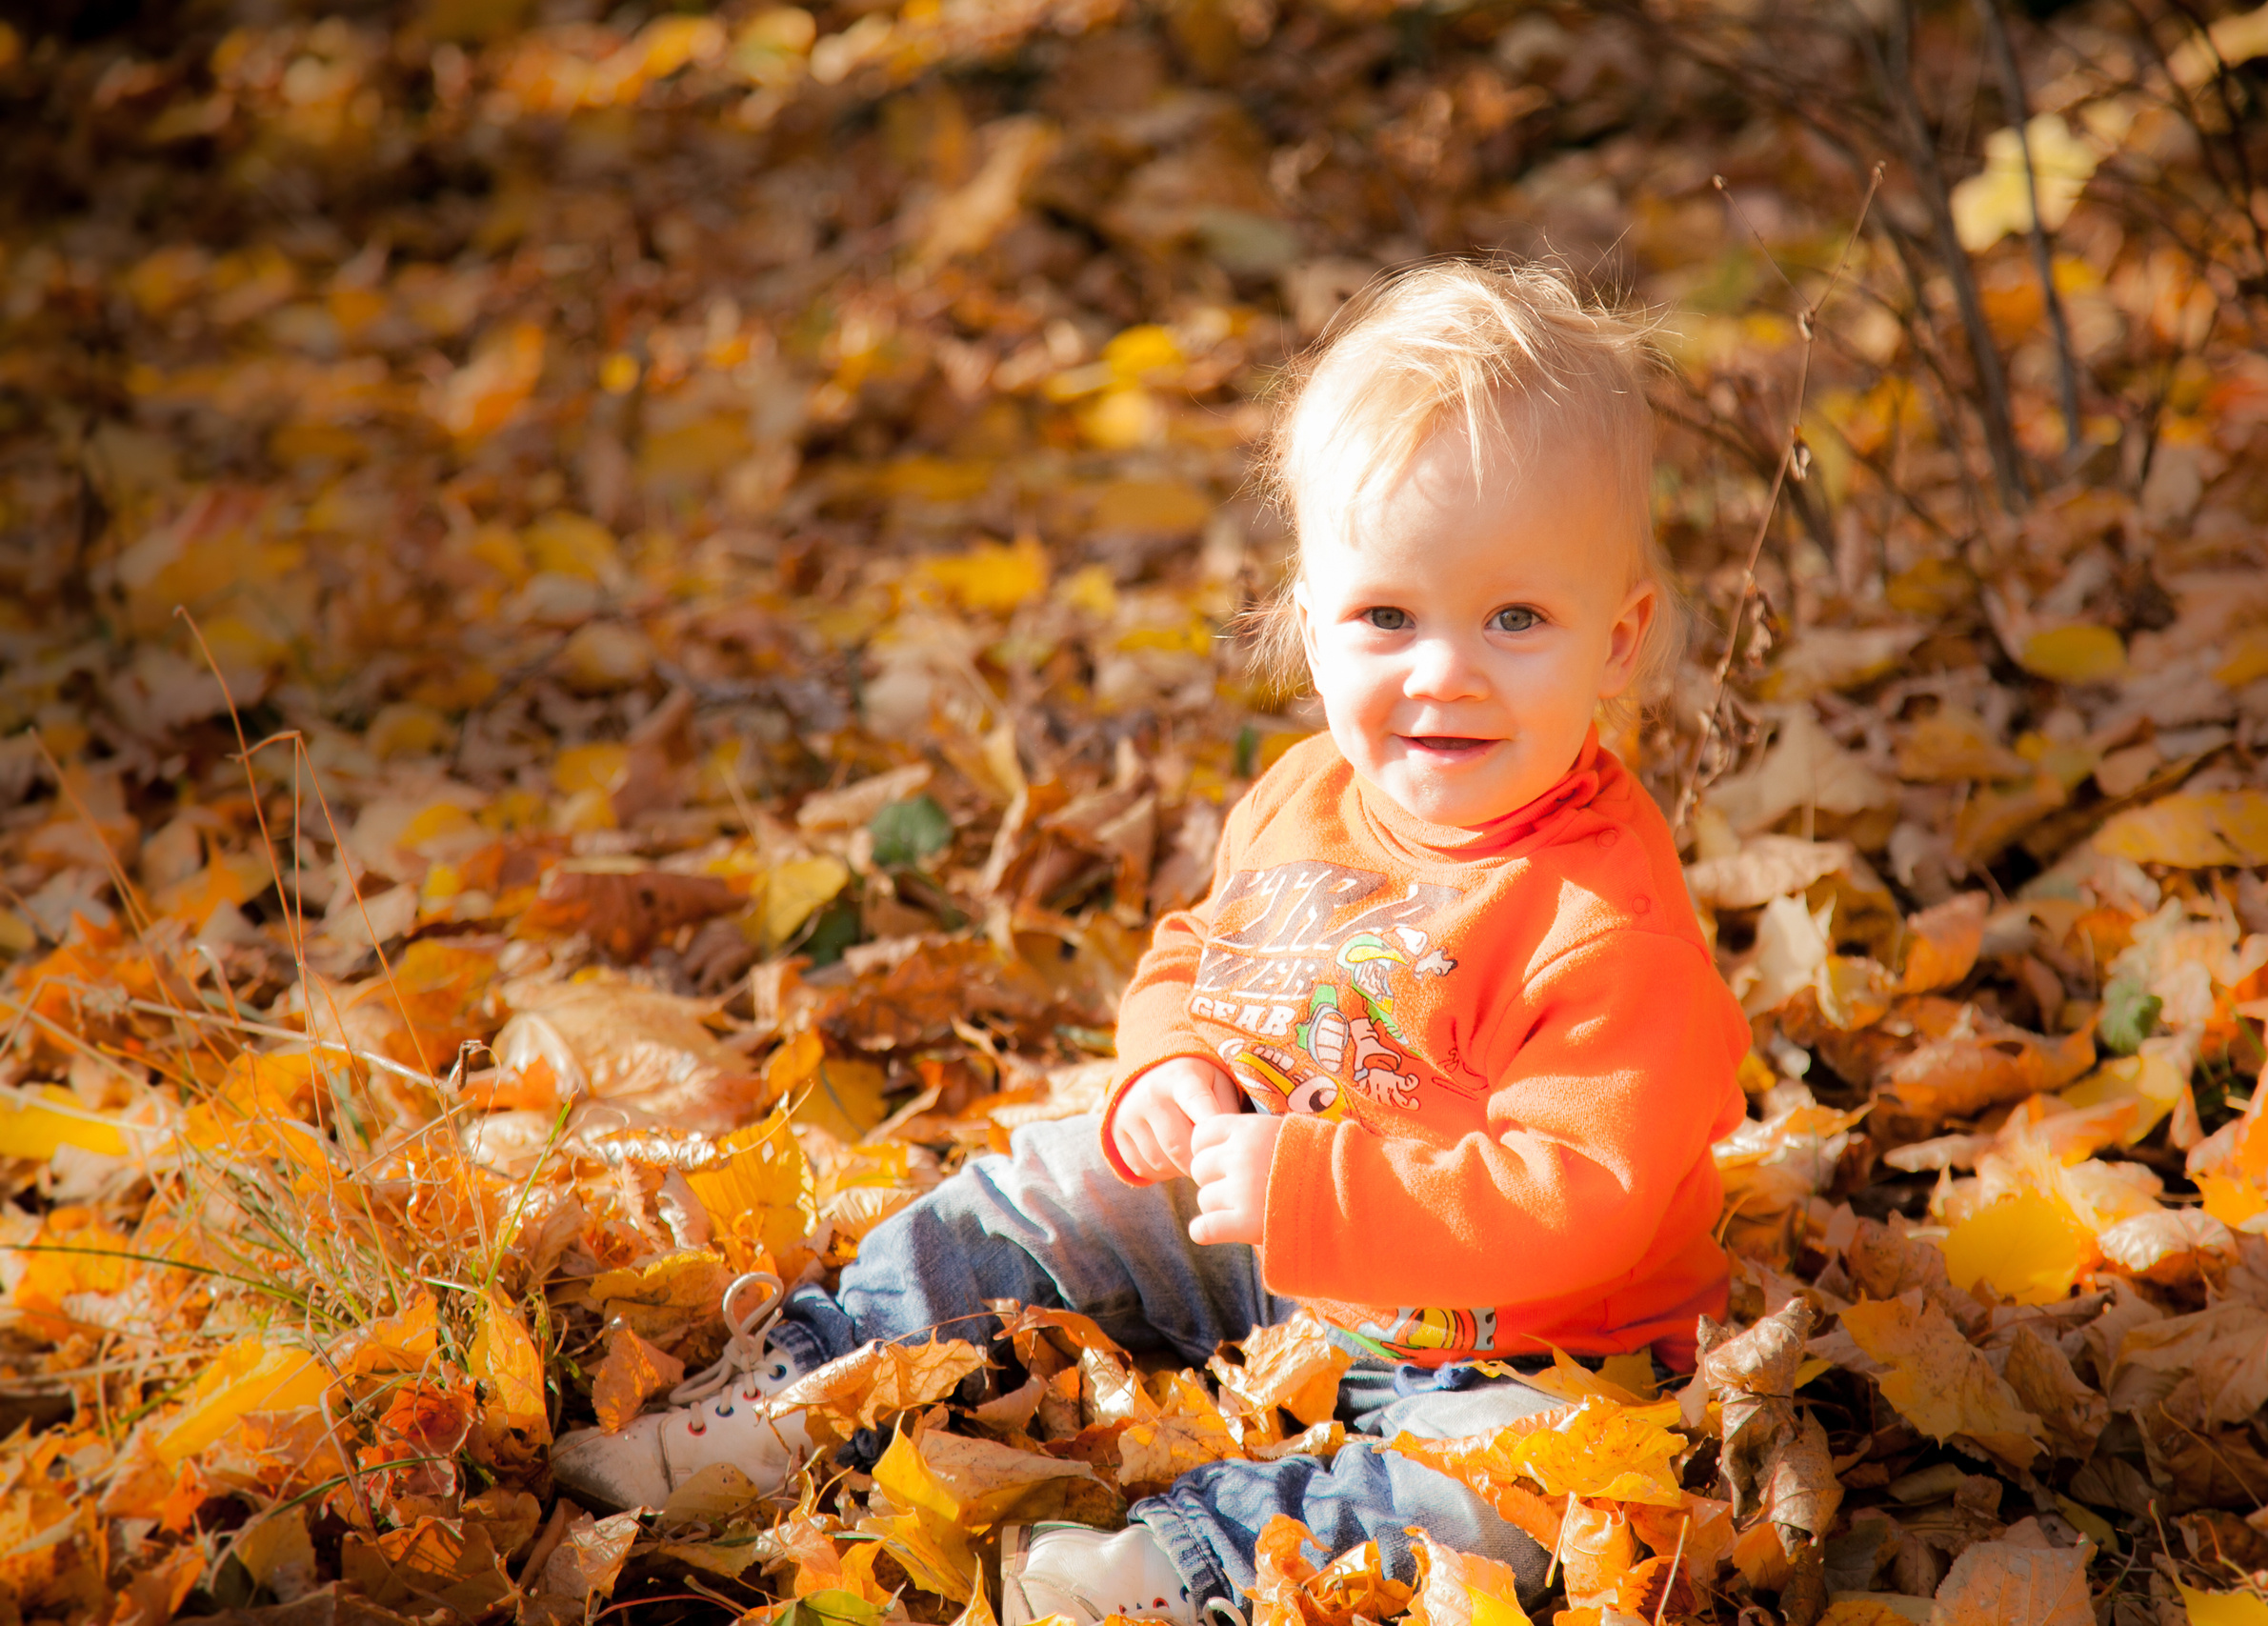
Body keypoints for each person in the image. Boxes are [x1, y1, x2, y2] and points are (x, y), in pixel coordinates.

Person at [552, 261, 1751, 1625]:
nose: (1443, 671)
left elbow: (1579, 1193)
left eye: (1516, 619)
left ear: (1619, 640)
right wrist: (1174, 1064)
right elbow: (1202, 951)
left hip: (1527, 1350)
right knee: (1052, 1182)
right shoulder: (1308, 798)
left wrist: (1317, 1190)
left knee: (1509, 1505)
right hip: (1274, 1240)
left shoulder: (1607, 923)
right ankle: (819, 1374)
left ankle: (1178, 1567)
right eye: (1387, 617)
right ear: (1312, 624)